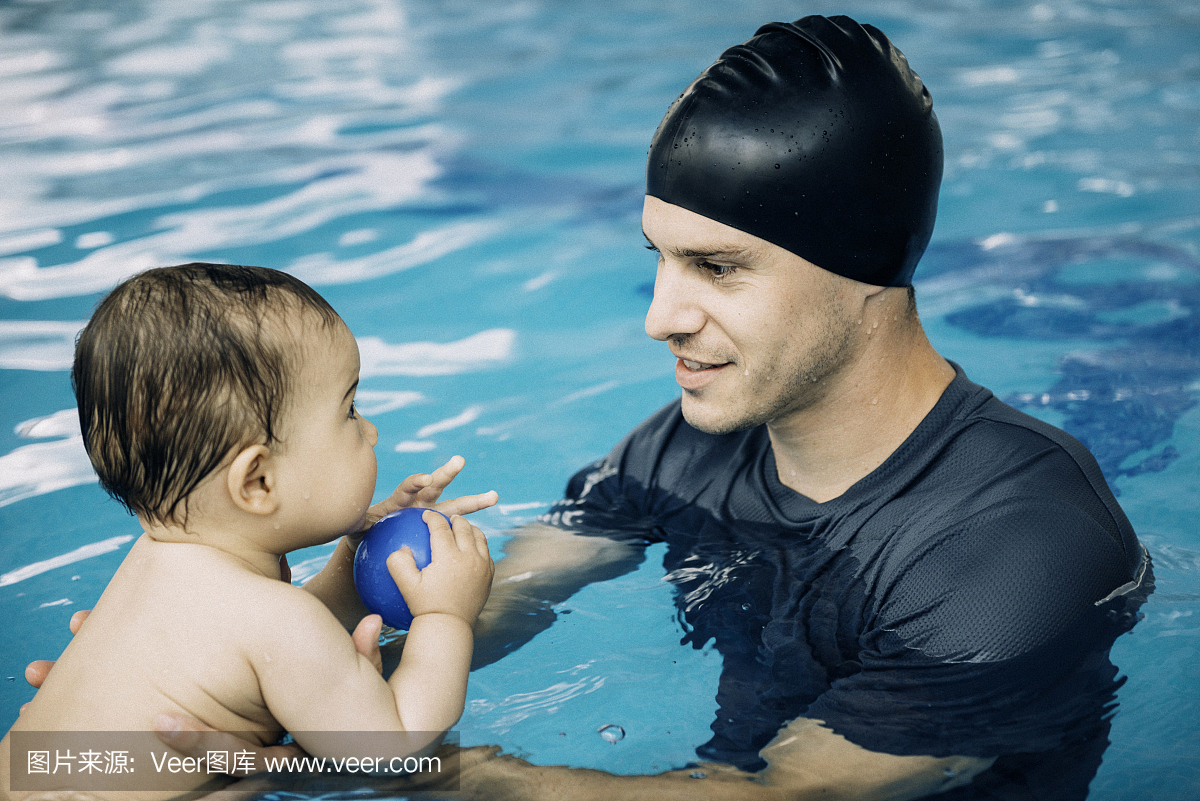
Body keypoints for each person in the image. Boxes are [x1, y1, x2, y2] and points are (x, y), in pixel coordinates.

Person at [25, 15, 1153, 801]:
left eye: (716, 270)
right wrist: (189, 690)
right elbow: (492, 592)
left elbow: (775, 797)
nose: (660, 318)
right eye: (658, 262)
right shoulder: (686, 445)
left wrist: (343, 769)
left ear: (864, 275)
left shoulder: (1017, 549)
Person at [3, 263, 496, 799]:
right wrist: (445, 618)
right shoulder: (278, 621)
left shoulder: (153, 565)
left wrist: (356, 553)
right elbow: (393, 747)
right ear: (257, 481)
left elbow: (281, 655)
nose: (370, 430)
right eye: (350, 410)